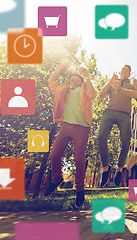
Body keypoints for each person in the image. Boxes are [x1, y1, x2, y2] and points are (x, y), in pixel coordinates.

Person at [44, 62, 96, 209]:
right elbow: (51, 81)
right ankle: (56, 178)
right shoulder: (63, 90)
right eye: (72, 80)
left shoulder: (85, 90)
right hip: (66, 126)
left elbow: (93, 95)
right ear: (69, 81)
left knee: (79, 158)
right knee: (54, 154)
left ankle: (80, 190)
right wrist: (61, 67)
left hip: (82, 127)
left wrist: (86, 77)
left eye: (77, 80)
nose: (74, 82)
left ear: (81, 82)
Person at [97, 65, 137, 187]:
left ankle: (119, 169)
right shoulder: (113, 82)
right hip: (109, 111)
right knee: (100, 137)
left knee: (126, 142)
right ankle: (105, 168)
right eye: (123, 70)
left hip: (125, 115)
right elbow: (102, 95)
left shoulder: (130, 85)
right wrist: (111, 80)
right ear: (120, 72)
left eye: (127, 71)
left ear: (129, 74)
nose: (125, 72)